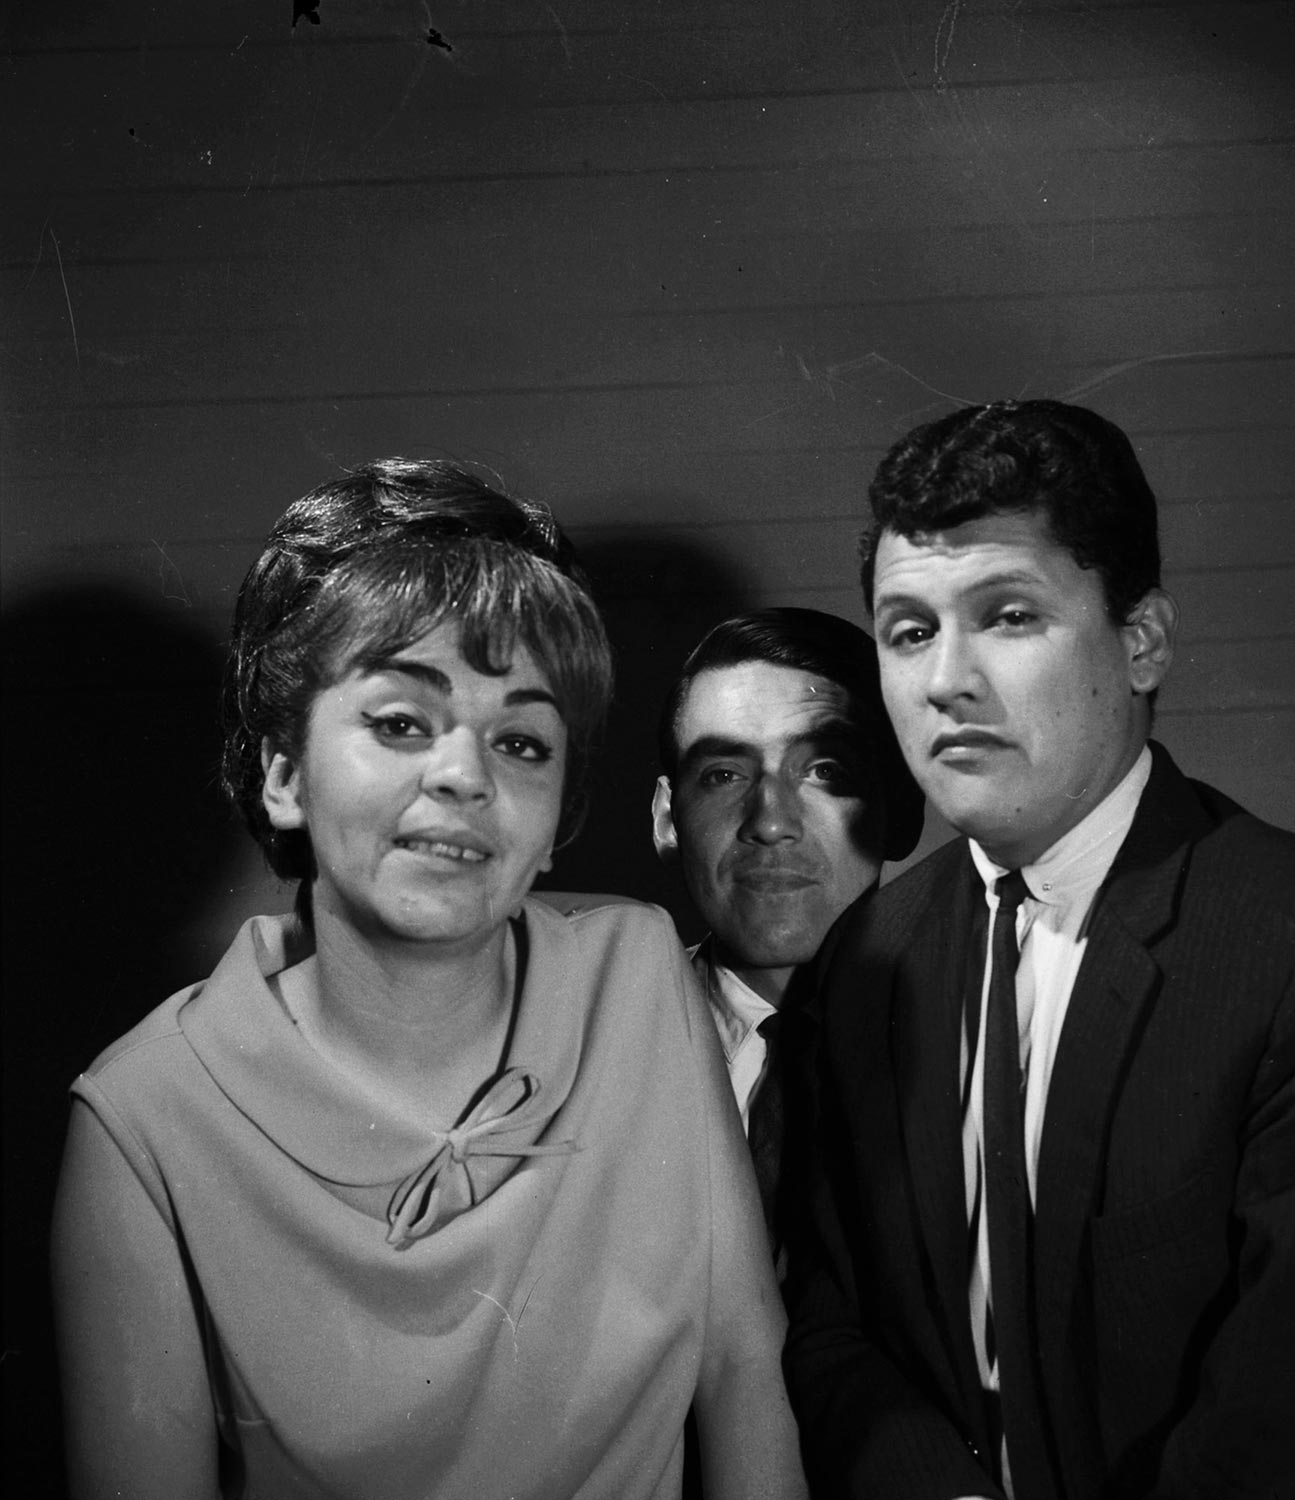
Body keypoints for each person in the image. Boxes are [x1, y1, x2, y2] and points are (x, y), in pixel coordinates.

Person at [51, 459, 807, 1500]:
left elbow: (742, 1369)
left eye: (522, 741)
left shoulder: (639, 975)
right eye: (400, 722)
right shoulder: (141, 1116)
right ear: (283, 774)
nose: (464, 776)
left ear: (560, 816)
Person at [781, 400, 1295, 1499]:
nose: (946, 678)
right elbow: (832, 1322)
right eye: (908, 631)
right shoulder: (873, 954)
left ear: (1141, 643)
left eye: (1008, 615)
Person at [650, 609, 924, 1246]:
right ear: (667, 820)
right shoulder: (589, 1044)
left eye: (825, 769)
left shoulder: (989, 1037)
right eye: (723, 775)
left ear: (903, 809)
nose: (770, 822)